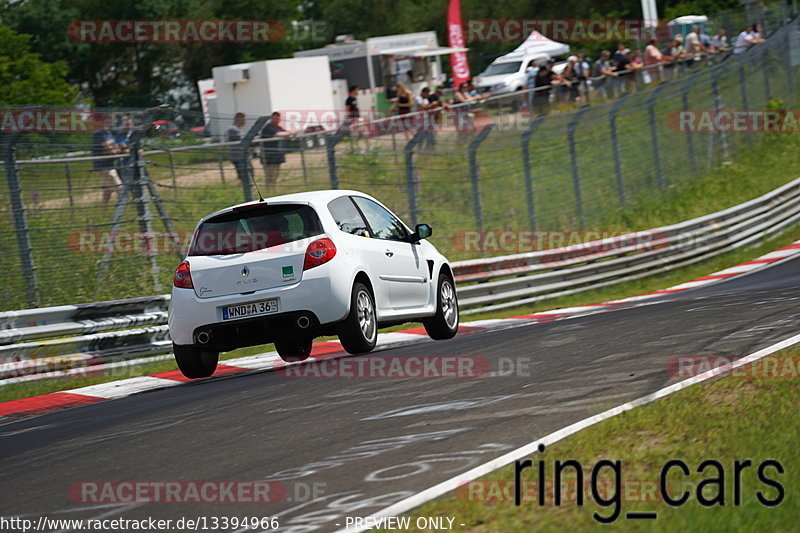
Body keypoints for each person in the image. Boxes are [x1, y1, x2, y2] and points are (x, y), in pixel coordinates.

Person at [92, 114, 122, 206]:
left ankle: (103, 211)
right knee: (120, 188)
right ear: (103, 122)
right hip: (103, 166)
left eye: (112, 121)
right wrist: (112, 150)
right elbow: (110, 150)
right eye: (109, 121)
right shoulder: (99, 134)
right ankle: (121, 210)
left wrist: (113, 150)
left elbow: (116, 149)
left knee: (108, 189)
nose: (111, 123)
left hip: (110, 164)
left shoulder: (109, 134)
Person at [260, 111, 291, 188]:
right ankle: (269, 191)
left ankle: (272, 190)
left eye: (278, 118)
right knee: (270, 176)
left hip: (277, 156)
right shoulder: (268, 127)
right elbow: (279, 134)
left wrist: (288, 133)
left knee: (276, 175)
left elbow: (285, 132)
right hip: (269, 157)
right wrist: (290, 133)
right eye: (275, 118)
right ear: (271, 118)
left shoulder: (278, 127)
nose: (277, 120)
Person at [227, 112, 250, 187]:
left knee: (247, 173)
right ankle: (244, 189)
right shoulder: (233, 130)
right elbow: (242, 140)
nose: (245, 121)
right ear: (239, 120)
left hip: (242, 155)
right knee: (243, 175)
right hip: (237, 156)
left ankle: (245, 188)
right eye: (244, 119)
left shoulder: (238, 129)